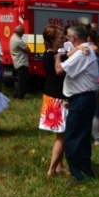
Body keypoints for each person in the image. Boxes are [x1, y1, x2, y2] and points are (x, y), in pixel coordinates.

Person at [55, 24, 99, 184]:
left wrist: (58, 58)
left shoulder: (82, 53)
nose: (67, 39)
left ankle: (80, 175)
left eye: (68, 37)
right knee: (81, 137)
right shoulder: (84, 50)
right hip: (83, 98)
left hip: (81, 99)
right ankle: (85, 171)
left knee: (73, 137)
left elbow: (60, 71)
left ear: (73, 38)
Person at [39, 25, 70, 176]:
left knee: (59, 135)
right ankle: (51, 170)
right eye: (61, 37)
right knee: (62, 137)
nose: (64, 39)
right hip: (58, 98)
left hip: (50, 96)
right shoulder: (57, 57)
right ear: (52, 40)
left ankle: (59, 166)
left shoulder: (47, 54)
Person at [10, 25, 31, 99]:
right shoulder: (18, 40)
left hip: (18, 62)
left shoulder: (13, 37)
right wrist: (27, 47)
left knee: (20, 80)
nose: (23, 33)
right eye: (23, 32)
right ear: (20, 32)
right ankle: (20, 96)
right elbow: (28, 50)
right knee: (22, 81)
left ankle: (16, 94)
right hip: (22, 62)